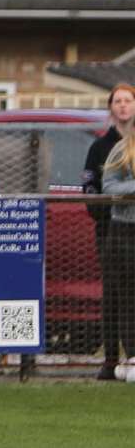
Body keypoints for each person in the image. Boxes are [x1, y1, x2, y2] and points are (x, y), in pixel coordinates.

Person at [83, 82, 135, 379]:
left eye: (128, 100)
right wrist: (108, 212)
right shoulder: (102, 147)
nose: (123, 106)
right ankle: (111, 360)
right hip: (111, 230)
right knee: (114, 295)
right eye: (118, 101)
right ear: (111, 107)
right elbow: (92, 188)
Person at [97, 135, 135, 382]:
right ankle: (131, 355)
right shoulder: (123, 149)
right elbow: (109, 186)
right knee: (127, 296)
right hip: (125, 231)